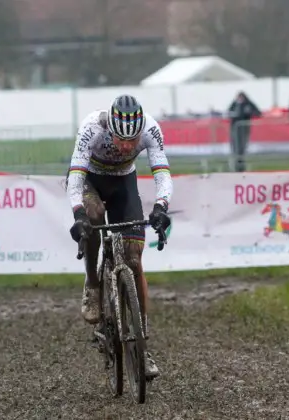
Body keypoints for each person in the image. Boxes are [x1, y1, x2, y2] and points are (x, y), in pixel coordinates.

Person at [65, 94, 173, 380]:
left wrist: (161, 207)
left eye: (132, 141)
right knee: (94, 217)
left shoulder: (151, 129)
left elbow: (162, 173)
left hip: (124, 183)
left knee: (135, 259)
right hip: (90, 180)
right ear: (110, 128)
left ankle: (142, 346)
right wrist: (78, 215)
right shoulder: (92, 127)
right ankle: (92, 283)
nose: (127, 146)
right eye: (120, 139)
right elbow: (75, 177)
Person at [227, 91, 261, 172]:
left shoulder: (248, 104)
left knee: (242, 148)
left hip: (244, 128)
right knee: (235, 148)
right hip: (235, 129)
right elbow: (229, 112)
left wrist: (249, 112)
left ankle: (241, 166)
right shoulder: (234, 104)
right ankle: (236, 165)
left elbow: (258, 112)